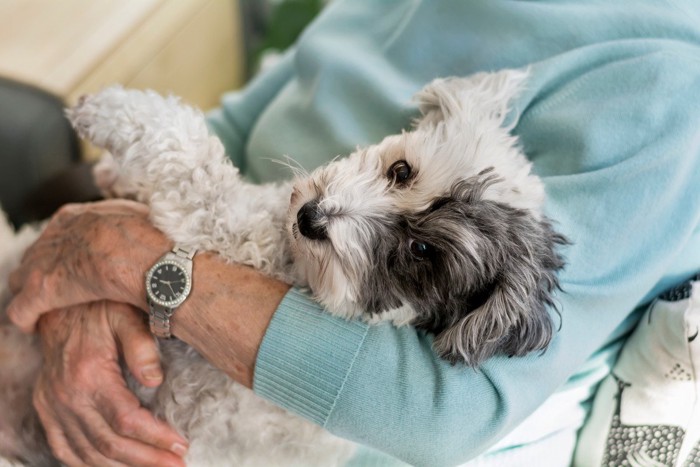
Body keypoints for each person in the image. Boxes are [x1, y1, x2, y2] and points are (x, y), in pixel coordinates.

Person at [7, 1, 700, 465]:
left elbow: (441, 408)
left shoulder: (669, 93)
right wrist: (95, 282)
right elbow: (240, 127)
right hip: (168, 253)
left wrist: (137, 267)